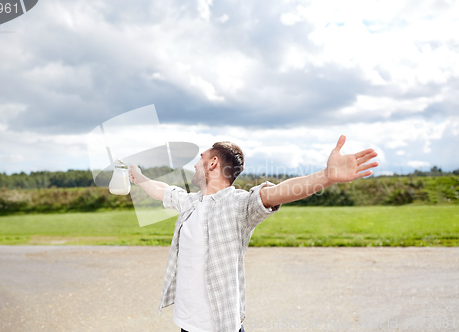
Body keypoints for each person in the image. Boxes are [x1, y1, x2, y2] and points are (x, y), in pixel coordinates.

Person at [128, 135, 379, 332]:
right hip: (186, 323)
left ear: (213, 162)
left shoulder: (239, 205)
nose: (194, 164)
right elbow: (163, 189)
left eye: (200, 157)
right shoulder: (190, 202)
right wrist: (139, 178)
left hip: (221, 325)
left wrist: (326, 177)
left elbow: (279, 192)